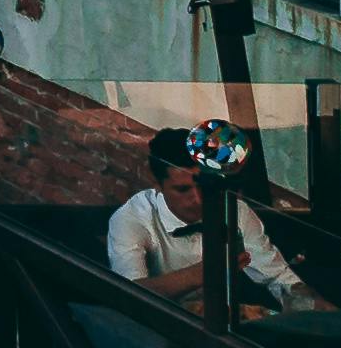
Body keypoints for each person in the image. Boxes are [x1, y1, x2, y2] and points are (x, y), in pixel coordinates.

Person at [108, 127, 317, 309]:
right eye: (183, 189)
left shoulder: (234, 210)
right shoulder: (131, 218)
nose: (198, 199)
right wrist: (207, 271)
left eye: (203, 186)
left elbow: (278, 277)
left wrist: (312, 305)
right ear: (157, 184)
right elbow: (129, 293)